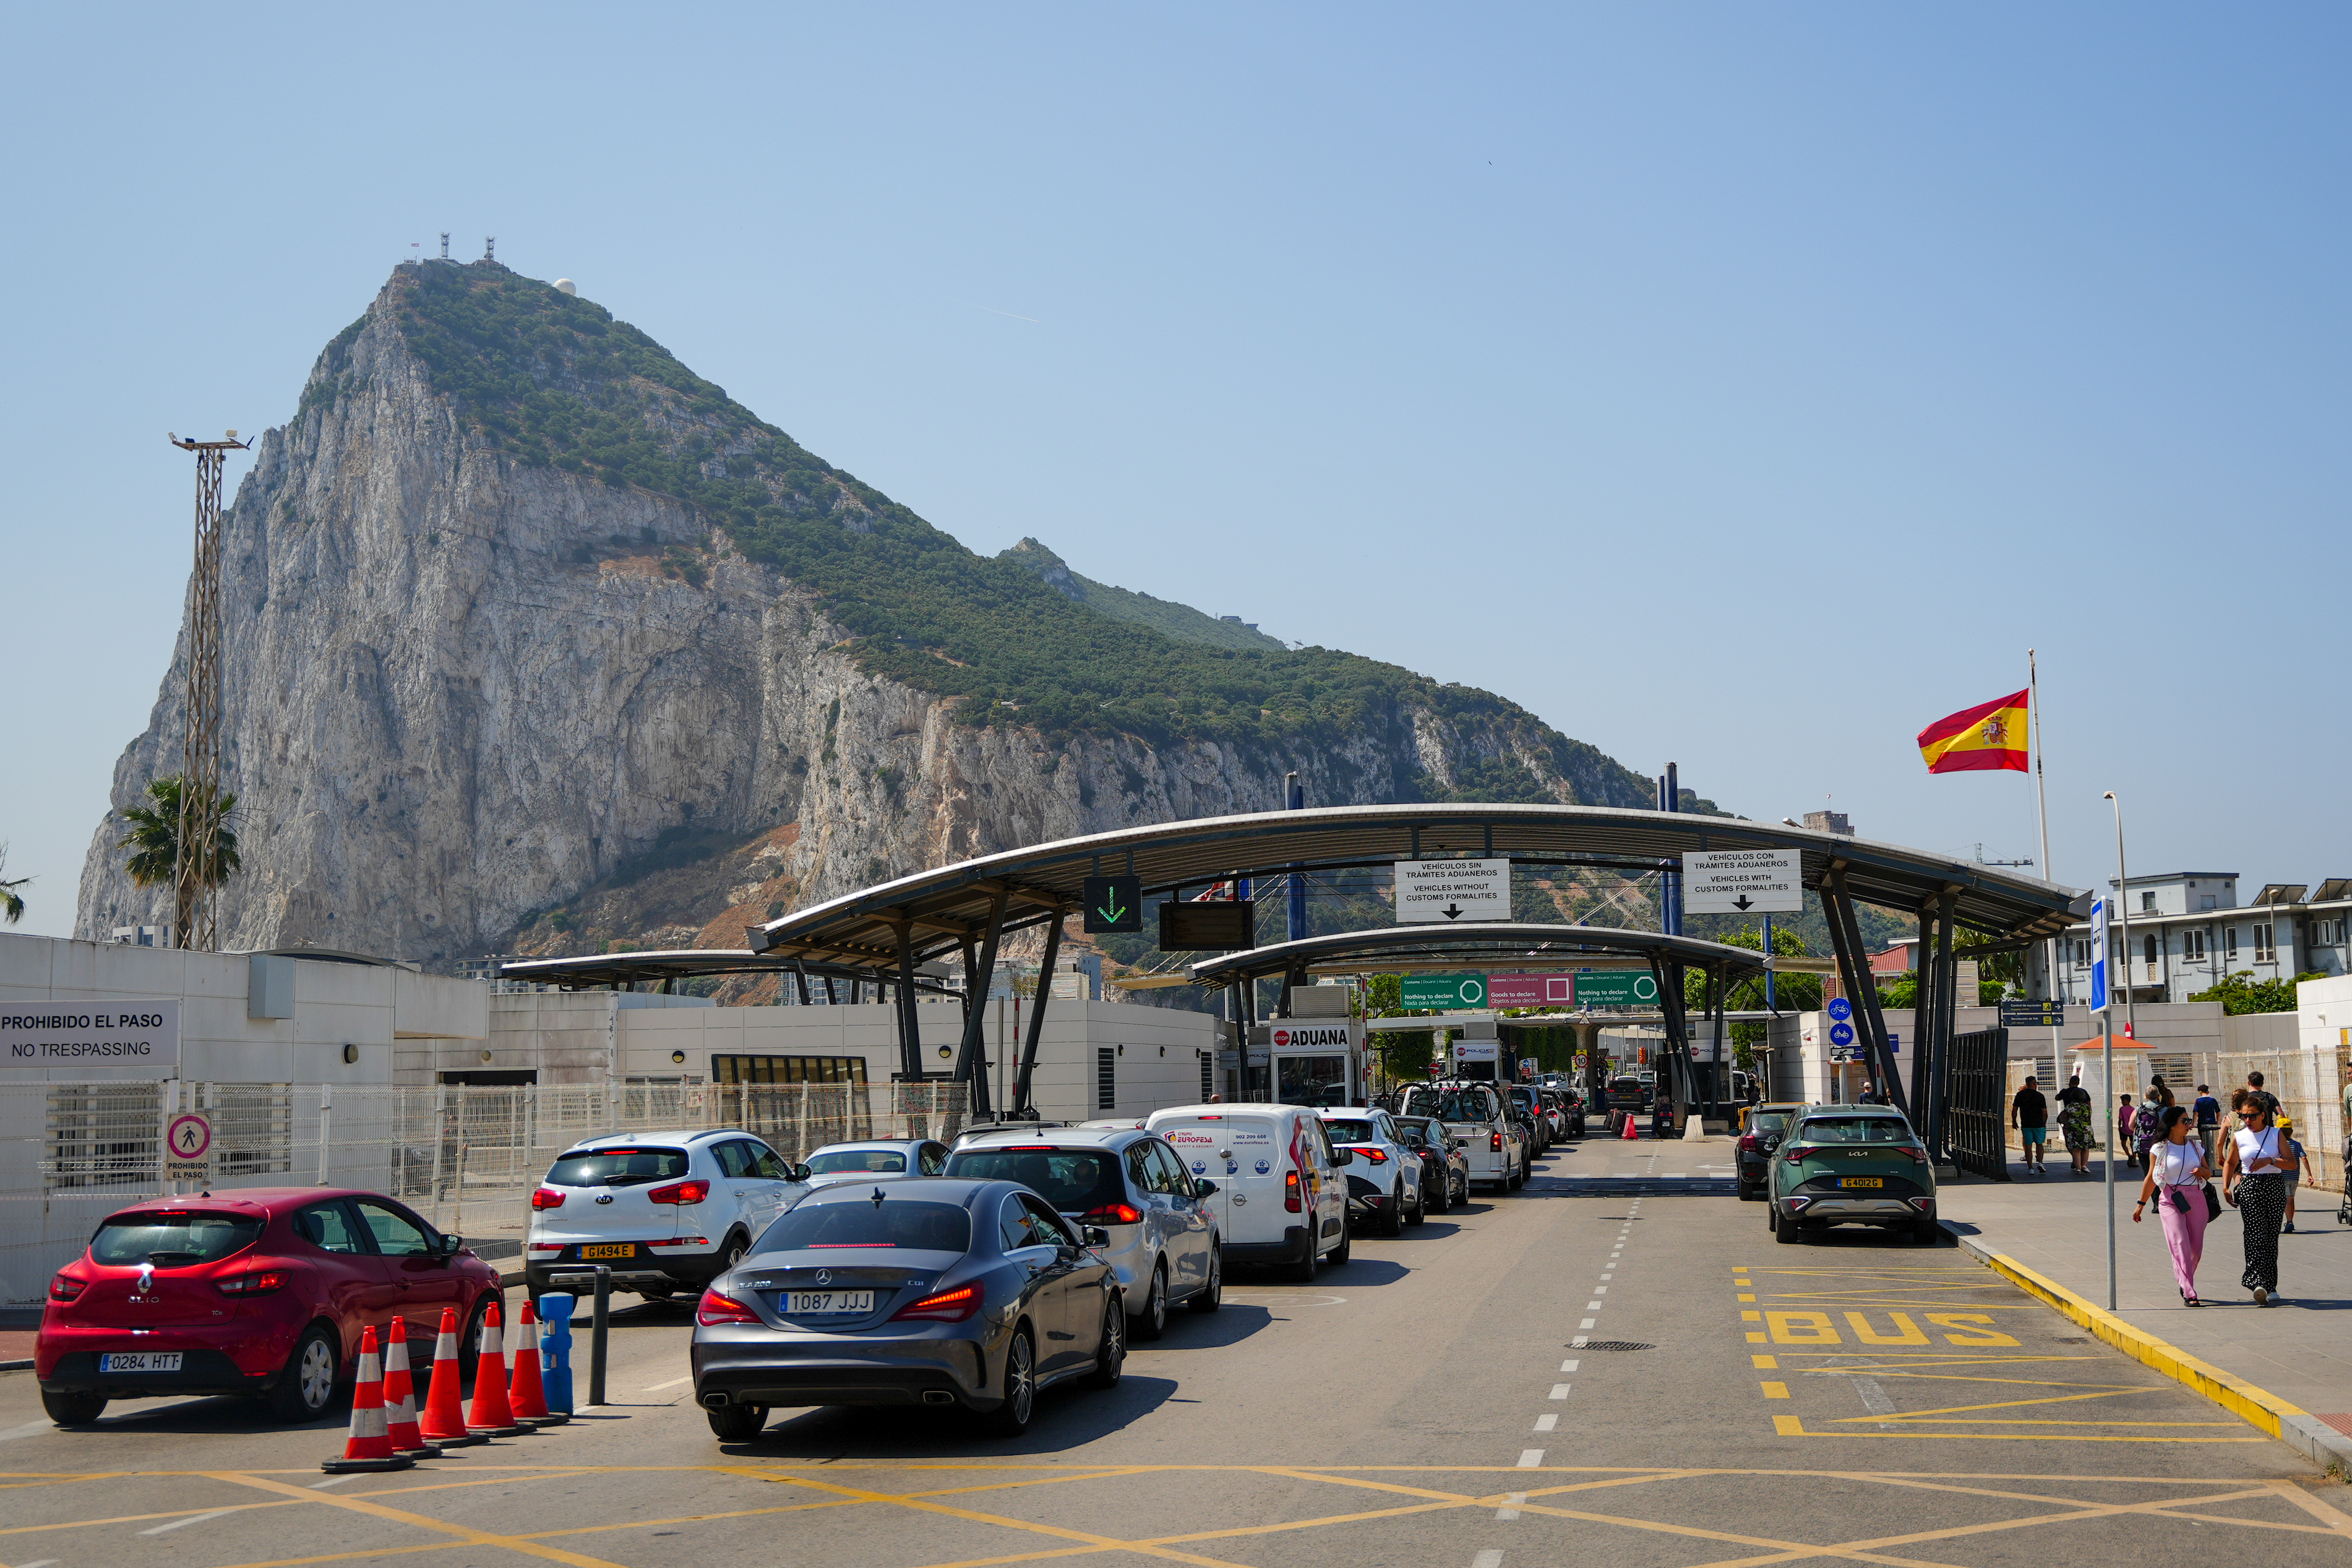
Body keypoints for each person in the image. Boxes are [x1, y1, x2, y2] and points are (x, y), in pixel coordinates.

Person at [2132, 1104, 2214, 1306]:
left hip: (2196, 1198)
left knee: (2195, 1249)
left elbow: (2208, 1172)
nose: (2189, 1125)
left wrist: (2201, 1172)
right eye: (2184, 1121)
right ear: (2172, 1125)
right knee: (2180, 1244)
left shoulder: (2196, 1146)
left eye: (2189, 1121)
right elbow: (2151, 1177)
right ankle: (2189, 1292)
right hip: (2170, 1200)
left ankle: (2184, 1279)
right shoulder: (2159, 1148)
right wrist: (2141, 1203)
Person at [2222, 1095, 2298, 1306]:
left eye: (2252, 1116)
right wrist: (2225, 1187)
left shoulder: (2275, 1135)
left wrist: (2271, 1160)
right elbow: (2230, 1162)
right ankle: (2256, 1282)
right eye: (2244, 1116)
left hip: (2273, 1186)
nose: (2248, 1120)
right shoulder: (2239, 1136)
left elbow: (2292, 1163)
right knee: (2255, 1234)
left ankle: (2270, 1285)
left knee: (2271, 1236)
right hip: (2250, 1186)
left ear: (2263, 1115)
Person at [2009, 1076, 2049, 1175]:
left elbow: (2014, 1110)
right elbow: (2044, 1112)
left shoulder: (2020, 1095)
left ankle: (2030, 1168)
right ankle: (2040, 1163)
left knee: (2028, 1146)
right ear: (2034, 1084)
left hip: (2026, 1124)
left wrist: (2014, 1121)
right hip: (2039, 1124)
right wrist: (2044, 1124)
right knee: (2039, 1144)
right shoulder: (2040, 1096)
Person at [2056, 1073, 2095, 1175]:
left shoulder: (2069, 1105)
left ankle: (2077, 1167)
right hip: (2086, 1128)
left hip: (2072, 1128)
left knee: (2075, 1148)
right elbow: (2090, 1108)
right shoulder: (2085, 1102)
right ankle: (2084, 1166)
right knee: (2085, 1148)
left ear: (2070, 1082)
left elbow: (2057, 1099)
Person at [2192, 1084, 2221, 1170]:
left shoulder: (2199, 1101)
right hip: (2212, 1125)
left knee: (2204, 1143)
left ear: (2200, 1092)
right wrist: (2217, 1122)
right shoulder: (2213, 1100)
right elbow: (2218, 1113)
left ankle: (2206, 1161)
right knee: (2212, 1143)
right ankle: (2213, 1161)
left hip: (2202, 1125)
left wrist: (2193, 1124)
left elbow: (2196, 1113)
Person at [2121, 1094, 2144, 1170]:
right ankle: (2134, 1158)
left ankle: (2129, 1156)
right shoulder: (2133, 1109)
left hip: (2124, 1129)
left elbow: (2120, 1120)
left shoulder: (2122, 1109)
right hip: (2132, 1130)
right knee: (2132, 1144)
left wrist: (2119, 1127)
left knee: (2124, 1143)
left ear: (2126, 1101)